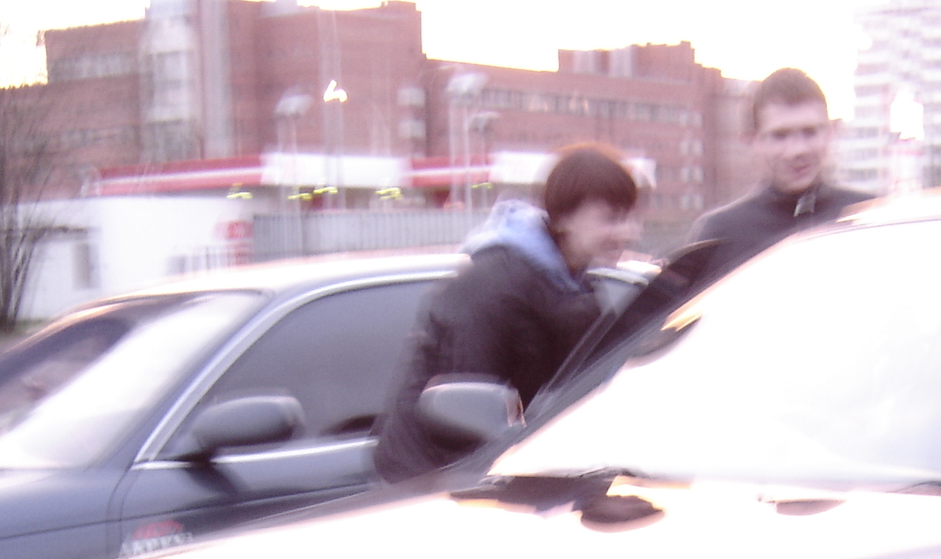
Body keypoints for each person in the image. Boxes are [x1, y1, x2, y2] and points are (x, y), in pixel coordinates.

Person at [373, 144, 641, 483]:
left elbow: (592, 390)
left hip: (491, 476)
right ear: (565, 217)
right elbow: (462, 415)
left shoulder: (572, 287)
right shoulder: (494, 288)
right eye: (611, 219)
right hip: (424, 484)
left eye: (629, 217)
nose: (627, 232)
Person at [687, 68, 872, 282]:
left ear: (830, 132)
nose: (797, 150)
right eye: (780, 136)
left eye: (810, 132)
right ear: (752, 140)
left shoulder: (871, 218)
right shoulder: (719, 235)